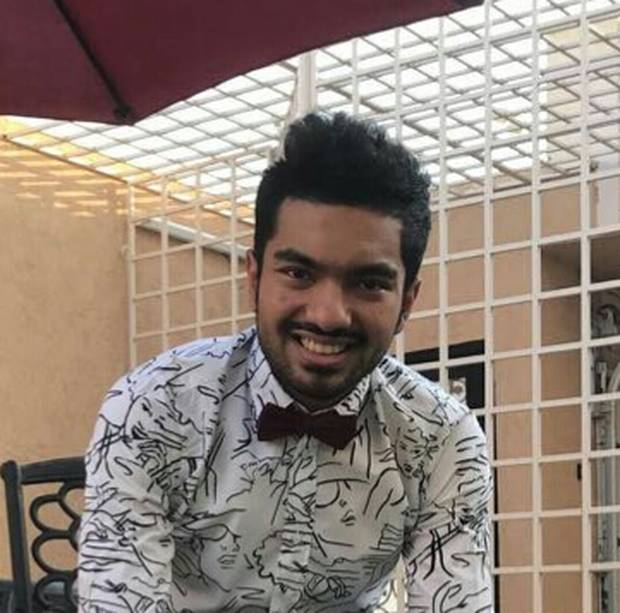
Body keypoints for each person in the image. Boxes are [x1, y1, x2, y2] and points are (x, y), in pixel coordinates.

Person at [78, 112, 493, 612]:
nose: (328, 314)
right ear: (254, 277)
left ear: (407, 301)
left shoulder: (442, 438)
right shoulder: (152, 407)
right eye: (299, 273)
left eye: (369, 283)